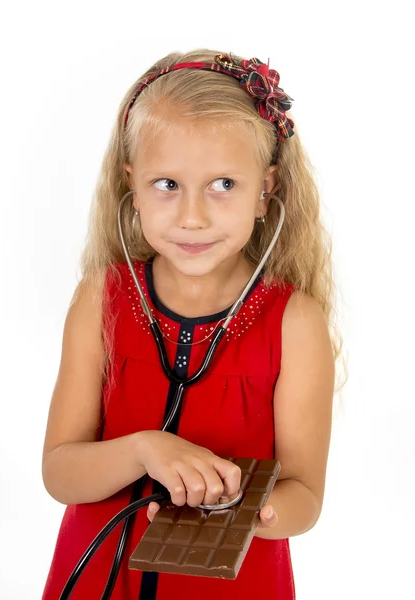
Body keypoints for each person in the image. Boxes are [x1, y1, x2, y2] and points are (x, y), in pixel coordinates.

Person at [41, 49, 343, 600]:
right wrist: (142, 449)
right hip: (99, 582)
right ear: (131, 182)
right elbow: (60, 472)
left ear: (266, 189)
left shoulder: (294, 324)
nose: (192, 216)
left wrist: (243, 512)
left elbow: (305, 497)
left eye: (224, 184)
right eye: (167, 184)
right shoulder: (100, 301)